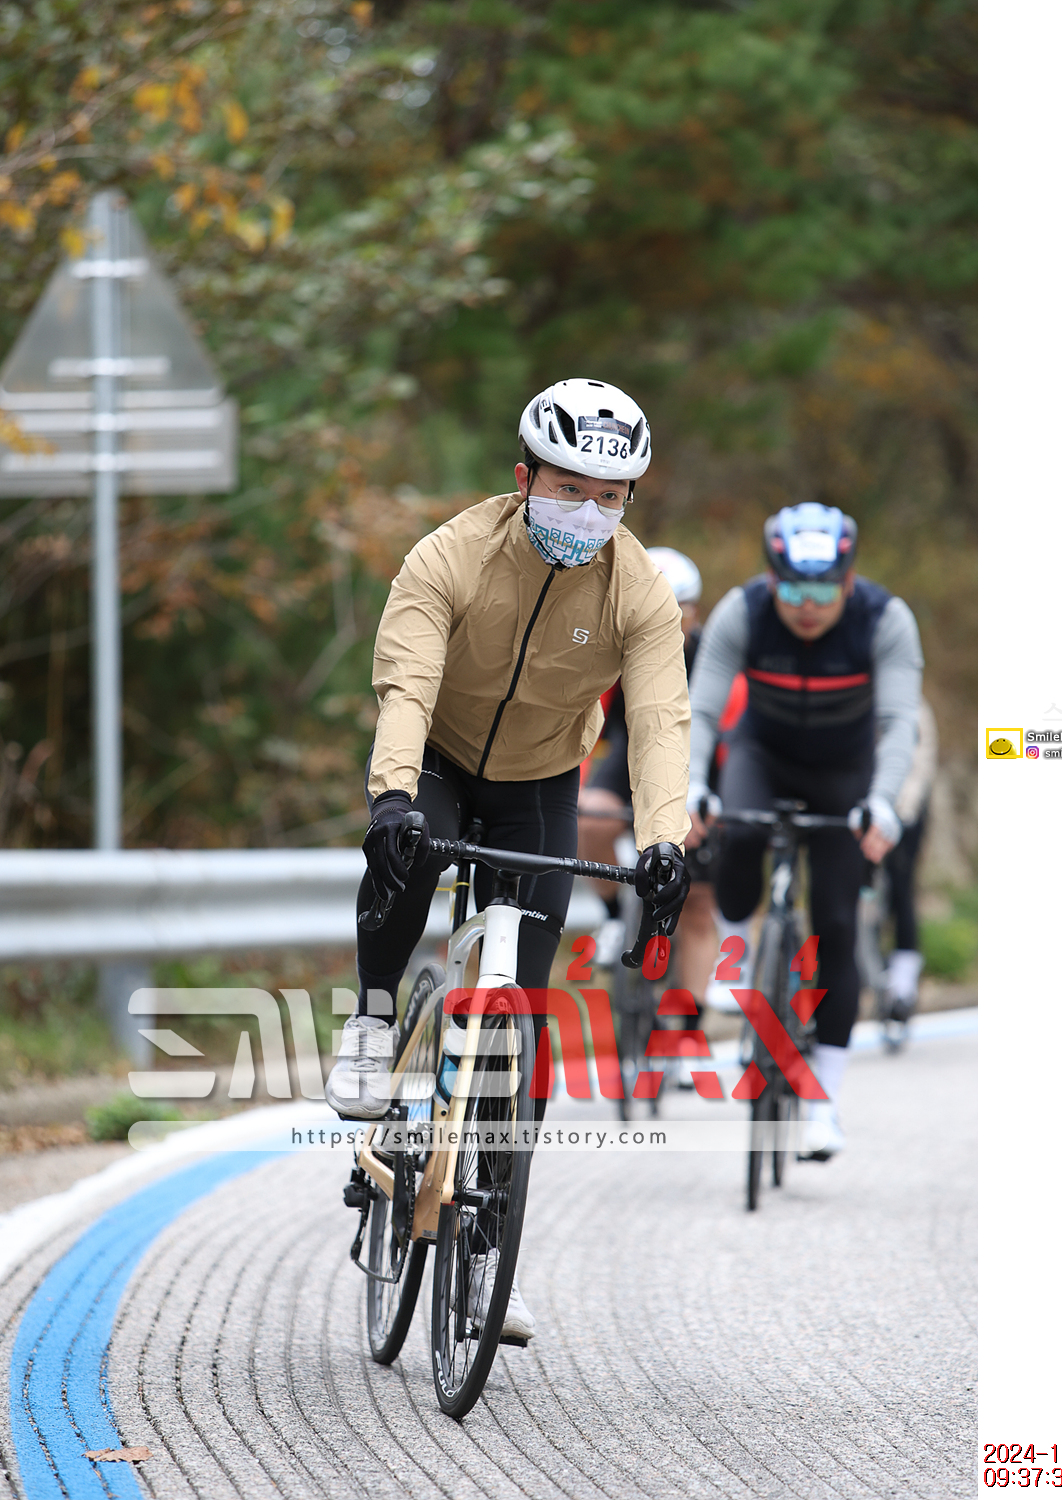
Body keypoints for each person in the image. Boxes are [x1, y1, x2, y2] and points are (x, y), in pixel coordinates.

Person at [328, 379, 694, 1338]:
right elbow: (406, 686)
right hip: (440, 758)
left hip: (541, 778)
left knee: (523, 1006)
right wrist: (392, 798)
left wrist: (664, 838)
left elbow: (661, 720)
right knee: (408, 863)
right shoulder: (448, 554)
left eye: (611, 498)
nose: (591, 513)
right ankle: (373, 1017)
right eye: (570, 489)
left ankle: (492, 1246)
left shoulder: (640, 591)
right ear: (524, 479)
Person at [688, 503, 923, 1158]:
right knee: (736, 832)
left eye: (824, 591)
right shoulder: (743, 611)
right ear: (772, 580)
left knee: (837, 926)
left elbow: (900, 723)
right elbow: (701, 709)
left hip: (846, 771)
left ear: (848, 580)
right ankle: (737, 955)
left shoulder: (885, 618)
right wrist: (693, 783)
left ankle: (823, 1103)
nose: (808, 607)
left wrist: (883, 802)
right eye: (793, 592)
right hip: (762, 754)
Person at [578, 546, 719, 1082]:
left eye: (675, 608)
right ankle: (615, 918)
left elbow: (731, 730)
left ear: (694, 613)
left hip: (701, 766)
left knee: (698, 905)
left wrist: (707, 799)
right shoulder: (614, 648)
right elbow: (587, 724)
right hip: (631, 759)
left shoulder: (712, 657)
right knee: (589, 816)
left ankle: (686, 1034)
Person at [882, 696, 938, 1020]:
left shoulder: (914, 706)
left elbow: (921, 765)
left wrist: (903, 811)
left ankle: (904, 981)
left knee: (901, 885)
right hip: (862, 807)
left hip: (906, 806)